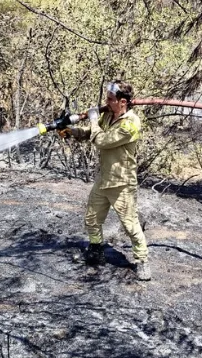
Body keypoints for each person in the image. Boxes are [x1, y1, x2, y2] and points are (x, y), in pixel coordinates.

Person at [62, 80, 151, 281]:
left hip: (121, 183)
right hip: (103, 179)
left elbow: (102, 140)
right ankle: (96, 250)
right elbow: (91, 134)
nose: (106, 102)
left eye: (110, 99)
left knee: (130, 225)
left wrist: (93, 119)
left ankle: (142, 261)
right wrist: (72, 131)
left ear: (122, 102)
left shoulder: (131, 124)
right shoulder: (108, 116)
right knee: (92, 219)